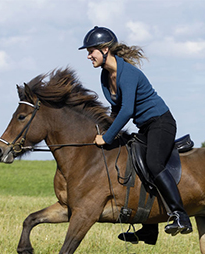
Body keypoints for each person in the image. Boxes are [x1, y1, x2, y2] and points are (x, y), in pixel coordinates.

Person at [78, 26, 192, 242]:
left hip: (161, 123)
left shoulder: (127, 73)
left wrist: (108, 137)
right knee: (134, 164)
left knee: (154, 164)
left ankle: (181, 216)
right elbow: (114, 110)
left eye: (91, 50)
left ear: (104, 50)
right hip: (145, 127)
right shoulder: (105, 76)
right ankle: (149, 229)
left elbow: (127, 111)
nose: (88, 55)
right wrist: (103, 131)